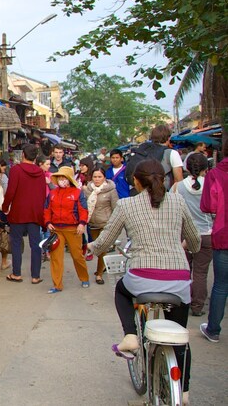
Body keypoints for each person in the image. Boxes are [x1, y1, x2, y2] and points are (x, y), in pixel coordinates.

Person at [87, 160, 200, 402]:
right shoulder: (178, 202)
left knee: (120, 290)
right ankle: (185, 391)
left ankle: (130, 335)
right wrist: (181, 246)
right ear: (163, 179)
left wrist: (92, 247)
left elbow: (105, 241)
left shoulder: (127, 205)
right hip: (178, 281)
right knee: (180, 337)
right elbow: (195, 241)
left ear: (136, 181)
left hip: (141, 278)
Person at [174, 153, 214, 317]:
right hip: (207, 234)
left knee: (185, 271)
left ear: (186, 168)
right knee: (201, 273)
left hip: (184, 235)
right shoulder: (212, 185)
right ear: (206, 168)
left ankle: (183, 302)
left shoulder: (178, 186)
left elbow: (174, 210)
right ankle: (197, 306)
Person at [2, 143, 47, 284]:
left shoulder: (16, 170)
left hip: (18, 213)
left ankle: (16, 273)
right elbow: (42, 195)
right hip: (34, 213)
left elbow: (10, 192)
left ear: (23, 155)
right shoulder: (40, 172)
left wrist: (5, 206)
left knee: (16, 243)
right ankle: (35, 276)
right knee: (35, 245)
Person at [43, 166, 90, 293]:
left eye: (64, 177)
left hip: (73, 229)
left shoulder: (77, 193)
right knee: (56, 258)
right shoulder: (52, 194)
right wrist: (47, 222)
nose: (61, 180)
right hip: (56, 229)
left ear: (69, 179)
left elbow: (83, 210)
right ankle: (57, 285)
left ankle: (84, 277)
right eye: (59, 178)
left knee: (77, 256)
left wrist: (82, 224)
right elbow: (46, 209)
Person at [200, 139, 227, 343]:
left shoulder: (215, 174)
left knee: (220, 285)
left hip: (223, 234)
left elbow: (208, 205)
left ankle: (214, 329)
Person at [83, 166, 118, 284]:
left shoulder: (111, 190)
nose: (97, 179)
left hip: (105, 224)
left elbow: (115, 208)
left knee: (102, 249)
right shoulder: (87, 190)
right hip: (92, 224)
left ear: (104, 177)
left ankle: (99, 274)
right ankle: (101, 267)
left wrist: (114, 225)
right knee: (96, 250)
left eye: (99, 177)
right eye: (95, 177)